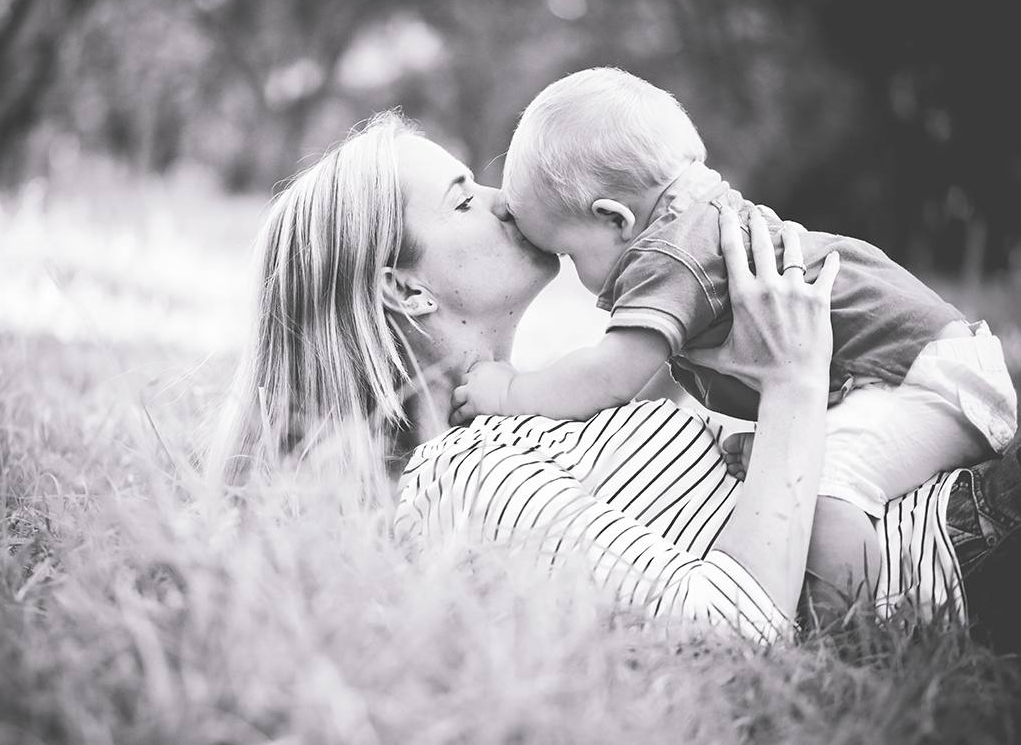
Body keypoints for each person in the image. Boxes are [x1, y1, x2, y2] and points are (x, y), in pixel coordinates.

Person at [207, 112, 1021, 646]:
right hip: (959, 546)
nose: (502, 201)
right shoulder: (465, 474)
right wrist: (794, 379)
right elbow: (733, 626)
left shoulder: (539, 406)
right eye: (462, 200)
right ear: (404, 288)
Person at [452, 67, 1018, 612]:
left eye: (571, 254)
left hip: (915, 376)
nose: (576, 276)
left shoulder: (668, 253)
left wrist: (508, 392)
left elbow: (609, 375)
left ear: (616, 219)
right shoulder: (700, 225)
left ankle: (862, 636)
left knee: (822, 494)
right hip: (922, 367)